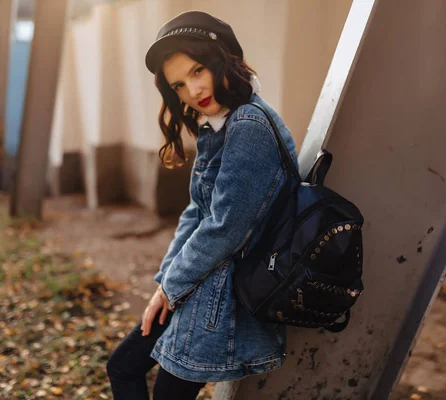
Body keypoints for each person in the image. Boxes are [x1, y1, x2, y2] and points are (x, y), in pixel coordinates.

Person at [106, 10, 299, 400]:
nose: (193, 91)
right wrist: (165, 284)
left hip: (224, 299)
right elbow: (196, 213)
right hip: (200, 283)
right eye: (179, 84)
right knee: (123, 366)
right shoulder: (218, 125)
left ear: (223, 60)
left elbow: (225, 228)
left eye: (198, 71)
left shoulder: (249, 125)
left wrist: (171, 288)